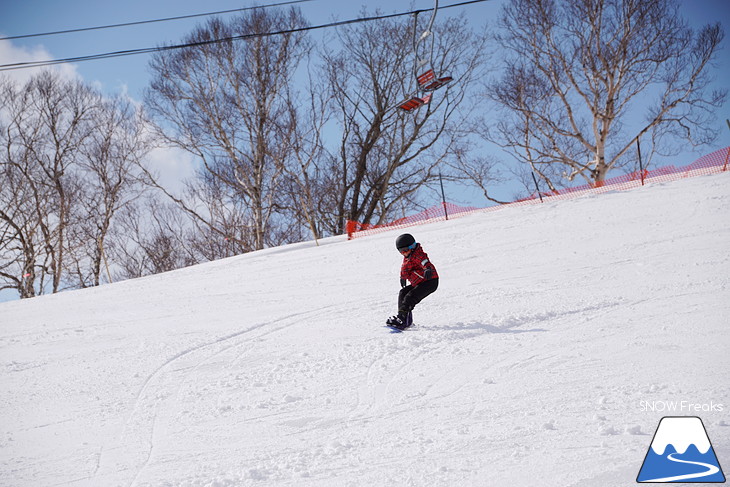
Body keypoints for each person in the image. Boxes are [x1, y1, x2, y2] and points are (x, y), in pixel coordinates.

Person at [386, 233, 439, 329]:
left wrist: (427, 268)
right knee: (403, 292)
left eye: (406, 250)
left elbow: (424, 261)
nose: (404, 253)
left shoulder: (417, 254)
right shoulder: (408, 257)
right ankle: (404, 319)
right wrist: (403, 277)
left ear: (412, 247)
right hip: (419, 282)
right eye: (401, 251)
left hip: (430, 281)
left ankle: (402, 318)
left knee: (410, 297)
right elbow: (405, 268)